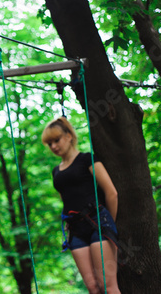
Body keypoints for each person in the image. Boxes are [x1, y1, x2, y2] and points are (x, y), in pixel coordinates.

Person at [41, 117, 121, 294]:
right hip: (75, 229)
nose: (53, 146)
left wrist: (109, 225)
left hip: (98, 223)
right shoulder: (56, 171)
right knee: (93, 287)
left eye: (57, 140)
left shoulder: (87, 160)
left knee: (107, 286)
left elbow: (112, 193)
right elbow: (66, 199)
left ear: (69, 136)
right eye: (49, 143)